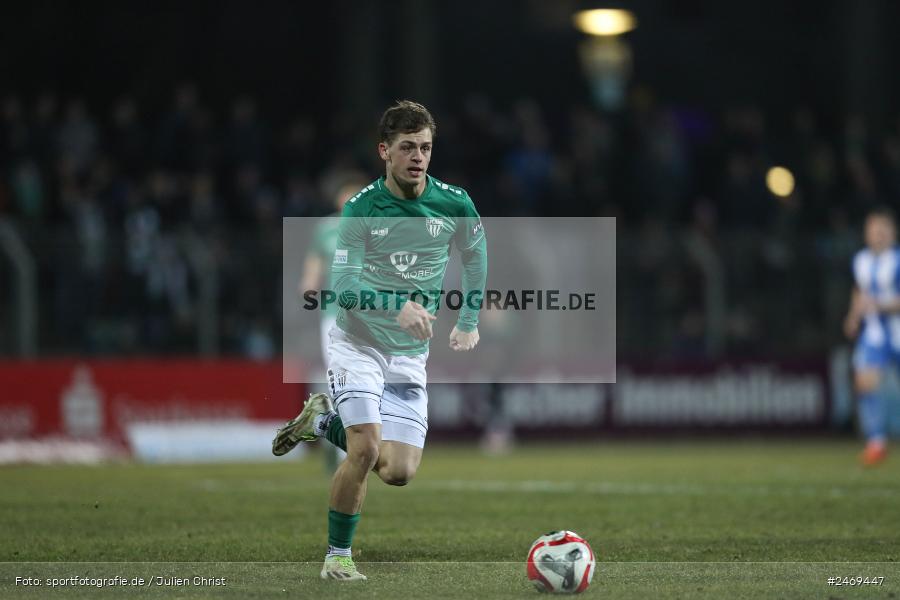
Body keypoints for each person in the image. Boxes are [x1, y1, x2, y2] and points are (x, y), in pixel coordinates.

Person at [273, 100, 487, 580]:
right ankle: (337, 558)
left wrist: (468, 320)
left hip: (410, 354)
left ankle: (321, 421)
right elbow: (344, 288)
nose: (418, 157)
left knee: (398, 471)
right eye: (408, 147)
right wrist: (398, 306)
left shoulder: (455, 202)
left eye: (426, 147)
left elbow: (476, 254)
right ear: (384, 151)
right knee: (365, 449)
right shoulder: (361, 208)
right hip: (358, 344)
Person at [299, 172, 369, 473]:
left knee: (366, 378)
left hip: (369, 315)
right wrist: (309, 286)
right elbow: (313, 271)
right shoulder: (327, 230)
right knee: (341, 377)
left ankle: (335, 432)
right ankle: (339, 445)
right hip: (333, 314)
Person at [844, 207, 899, 466]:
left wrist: (879, 305)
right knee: (864, 381)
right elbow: (859, 291)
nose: (878, 235)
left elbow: (877, 300)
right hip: (874, 335)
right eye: (873, 231)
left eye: (883, 231)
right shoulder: (861, 260)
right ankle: (876, 443)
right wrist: (853, 317)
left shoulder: (898, 260)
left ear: (893, 233)